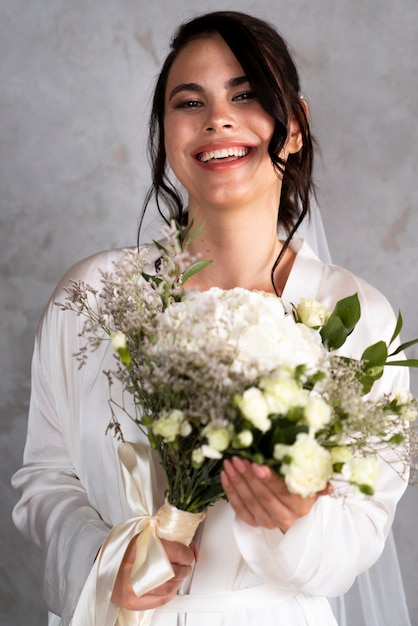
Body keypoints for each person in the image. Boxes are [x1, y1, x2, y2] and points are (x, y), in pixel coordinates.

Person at [12, 11, 411, 626]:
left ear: (295, 126)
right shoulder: (92, 296)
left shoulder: (356, 319)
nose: (217, 118)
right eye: (189, 101)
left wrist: (292, 517)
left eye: (245, 94)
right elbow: (46, 477)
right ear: (167, 135)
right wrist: (102, 558)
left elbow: (358, 541)